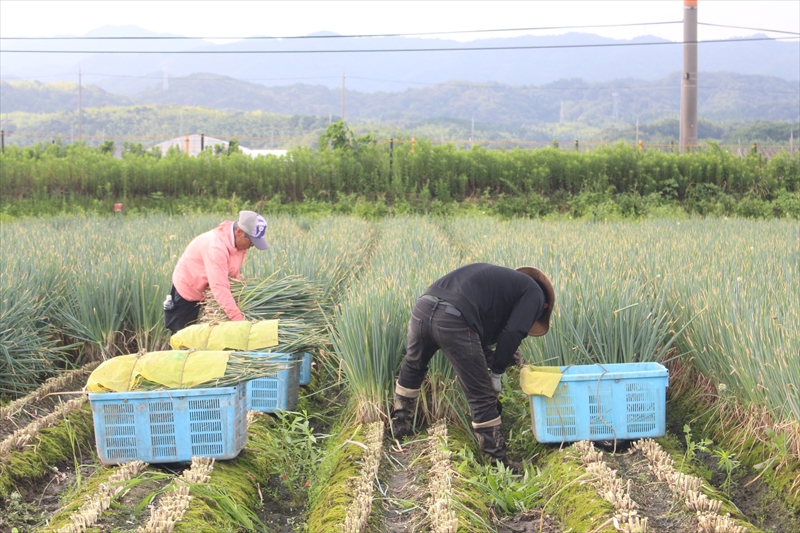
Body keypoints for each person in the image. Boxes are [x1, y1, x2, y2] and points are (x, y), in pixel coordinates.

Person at [391, 263, 554, 465]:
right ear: (544, 307)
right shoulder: (536, 295)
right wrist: (496, 374)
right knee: (481, 392)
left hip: (423, 309)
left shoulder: (499, 285)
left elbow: (474, 343)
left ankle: (399, 429)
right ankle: (497, 461)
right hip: (453, 317)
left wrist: (498, 357)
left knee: (413, 366)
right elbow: (513, 332)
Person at [163, 210, 269, 334]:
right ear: (239, 232)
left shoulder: (238, 244)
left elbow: (232, 274)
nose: (252, 245)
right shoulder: (216, 248)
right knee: (182, 336)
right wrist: (240, 321)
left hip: (208, 291)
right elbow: (219, 287)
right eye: (251, 241)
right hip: (188, 289)